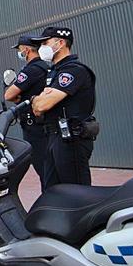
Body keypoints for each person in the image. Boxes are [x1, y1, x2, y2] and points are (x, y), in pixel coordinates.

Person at [31, 27, 98, 187]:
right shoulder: (54, 72)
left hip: (71, 140)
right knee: (52, 191)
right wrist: (38, 99)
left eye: (45, 43)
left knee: (77, 194)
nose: (41, 49)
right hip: (54, 137)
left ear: (60, 43)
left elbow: (42, 105)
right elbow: (37, 107)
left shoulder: (73, 70)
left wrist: (38, 99)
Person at [4, 35, 51, 191]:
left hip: (35, 128)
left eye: (19, 49)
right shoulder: (45, 67)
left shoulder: (32, 70)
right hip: (45, 125)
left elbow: (9, 95)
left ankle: (49, 201)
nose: (19, 52)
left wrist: (16, 96)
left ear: (26, 49)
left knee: (43, 167)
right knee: (48, 167)